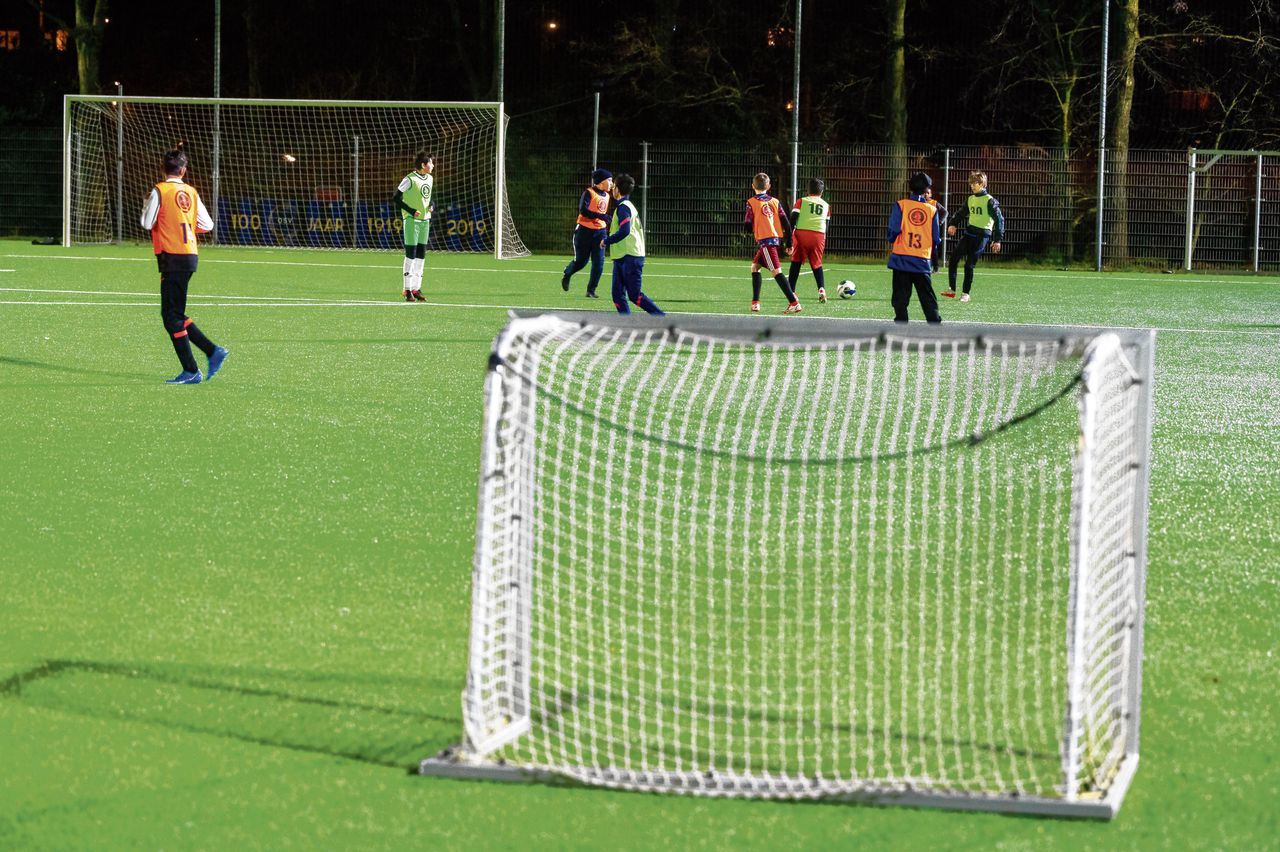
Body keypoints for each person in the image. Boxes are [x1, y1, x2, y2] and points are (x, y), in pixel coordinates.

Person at [140, 149, 227, 384]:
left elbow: (147, 223)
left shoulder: (160, 190)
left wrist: (148, 204)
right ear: (183, 170)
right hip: (190, 255)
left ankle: (193, 369)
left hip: (172, 256)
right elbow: (207, 225)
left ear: (162, 169)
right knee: (175, 314)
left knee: (171, 317)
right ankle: (211, 352)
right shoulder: (191, 191)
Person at [601, 174, 663, 316]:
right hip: (622, 256)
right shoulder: (624, 207)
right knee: (617, 295)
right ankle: (627, 324)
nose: (612, 189)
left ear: (617, 189)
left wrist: (606, 241)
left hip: (630, 256)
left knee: (635, 296)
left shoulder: (624, 207)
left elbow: (625, 231)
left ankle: (662, 319)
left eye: (614, 186)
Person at [886, 172, 942, 324]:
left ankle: (901, 324)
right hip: (921, 260)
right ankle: (935, 324)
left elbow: (894, 229)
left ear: (910, 188)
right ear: (926, 191)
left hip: (901, 257)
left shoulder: (901, 205)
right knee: (927, 296)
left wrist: (891, 239)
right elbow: (936, 238)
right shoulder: (932, 210)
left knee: (900, 296)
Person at [943, 170, 1004, 302]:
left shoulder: (990, 201)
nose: (972, 186)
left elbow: (999, 220)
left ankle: (965, 293)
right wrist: (952, 223)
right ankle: (951, 290)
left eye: (975, 183)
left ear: (983, 184)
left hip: (982, 237)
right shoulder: (970, 199)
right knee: (953, 259)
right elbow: (961, 213)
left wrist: (997, 239)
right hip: (969, 233)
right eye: (971, 183)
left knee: (969, 264)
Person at [744, 173, 801, 314]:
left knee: (776, 272)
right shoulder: (775, 202)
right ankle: (755, 303)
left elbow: (747, 224)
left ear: (753, 187)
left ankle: (794, 303)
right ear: (768, 186)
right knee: (755, 267)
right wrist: (789, 243)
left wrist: (754, 227)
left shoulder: (751, 202)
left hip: (766, 241)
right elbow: (786, 223)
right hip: (774, 240)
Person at [561, 168, 613, 298]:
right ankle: (568, 273)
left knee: (599, 263)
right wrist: (602, 216)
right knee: (581, 261)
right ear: (601, 182)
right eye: (610, 180)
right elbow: (583, 210)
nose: (612, 183)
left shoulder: (607, 196)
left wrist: (605, 219)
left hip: (600, 233)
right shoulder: (589, 193)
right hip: (584, 231)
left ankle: (591, 290)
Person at [393, 153, 434, 301]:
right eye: (431, 163)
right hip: (411, 220)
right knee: (411, 253)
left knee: (421, 254)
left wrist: (431, 206)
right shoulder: (409, 179)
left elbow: (428, 198)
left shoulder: (430, 178)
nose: (433, 165)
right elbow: (396, 198)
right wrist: (411, 211)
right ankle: (407, 289)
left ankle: (417, 288)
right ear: (423, 165)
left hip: (425, 220)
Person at [787, 178, 831, 302]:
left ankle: (791, 291)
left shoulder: (801, 201)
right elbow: (827, 226)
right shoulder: (826, 205)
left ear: (807, 191)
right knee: (817, 264)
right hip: (818, 236)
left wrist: (789, 239)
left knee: (796, 262)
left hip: (801, 234)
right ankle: (821, 289)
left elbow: (793, 219)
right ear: (822, 192)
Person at [922, 185, 947, 273]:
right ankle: (924, 266)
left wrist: (939, 222)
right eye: (924, 193)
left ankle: (935, 268)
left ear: (931, 194)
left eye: (927, 193)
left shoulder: (934, 203)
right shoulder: (919, 203)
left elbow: (945, 212)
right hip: (922, 229)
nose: (926, 195)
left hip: (932, 229)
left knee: (933, 248)